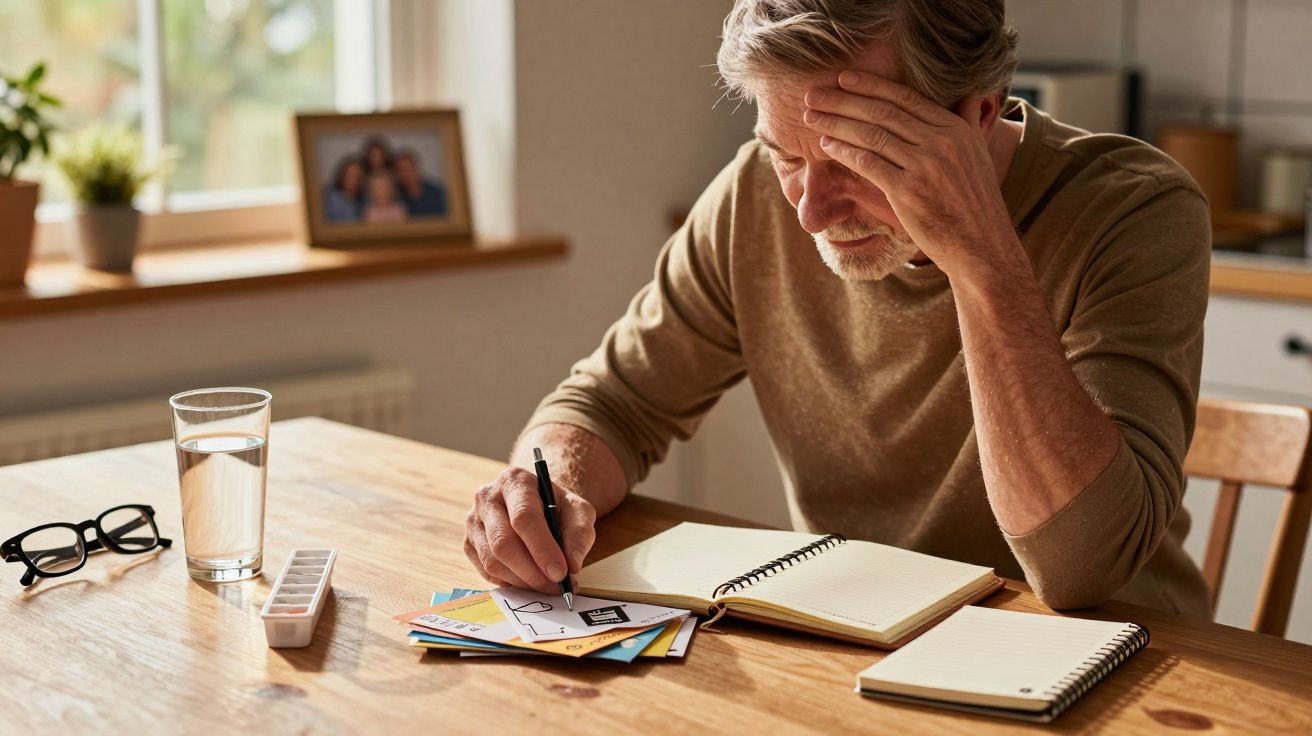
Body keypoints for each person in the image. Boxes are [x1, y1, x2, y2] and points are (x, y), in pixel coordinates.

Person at [463, 0, 1213, 617]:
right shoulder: (756, 195)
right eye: (786, 154)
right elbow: (613, 404)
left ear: (979, 113)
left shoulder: (1134, 210)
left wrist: (981, 257)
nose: (812, 211)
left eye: (857, 157)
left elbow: (1082, 568)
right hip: (861, 647)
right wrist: (545, 489)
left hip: (1116, 666)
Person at [395, 150, 448, 217]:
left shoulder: (437, 193)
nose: (406, 173)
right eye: (401, 170)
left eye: (409, 168)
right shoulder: (398, 198)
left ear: (417, 168)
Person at [323, 158, 364, 223]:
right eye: (351, 175)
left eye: (358, 175)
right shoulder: (331, 197)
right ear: (342, 176)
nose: (355, 179)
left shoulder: (363, 200)